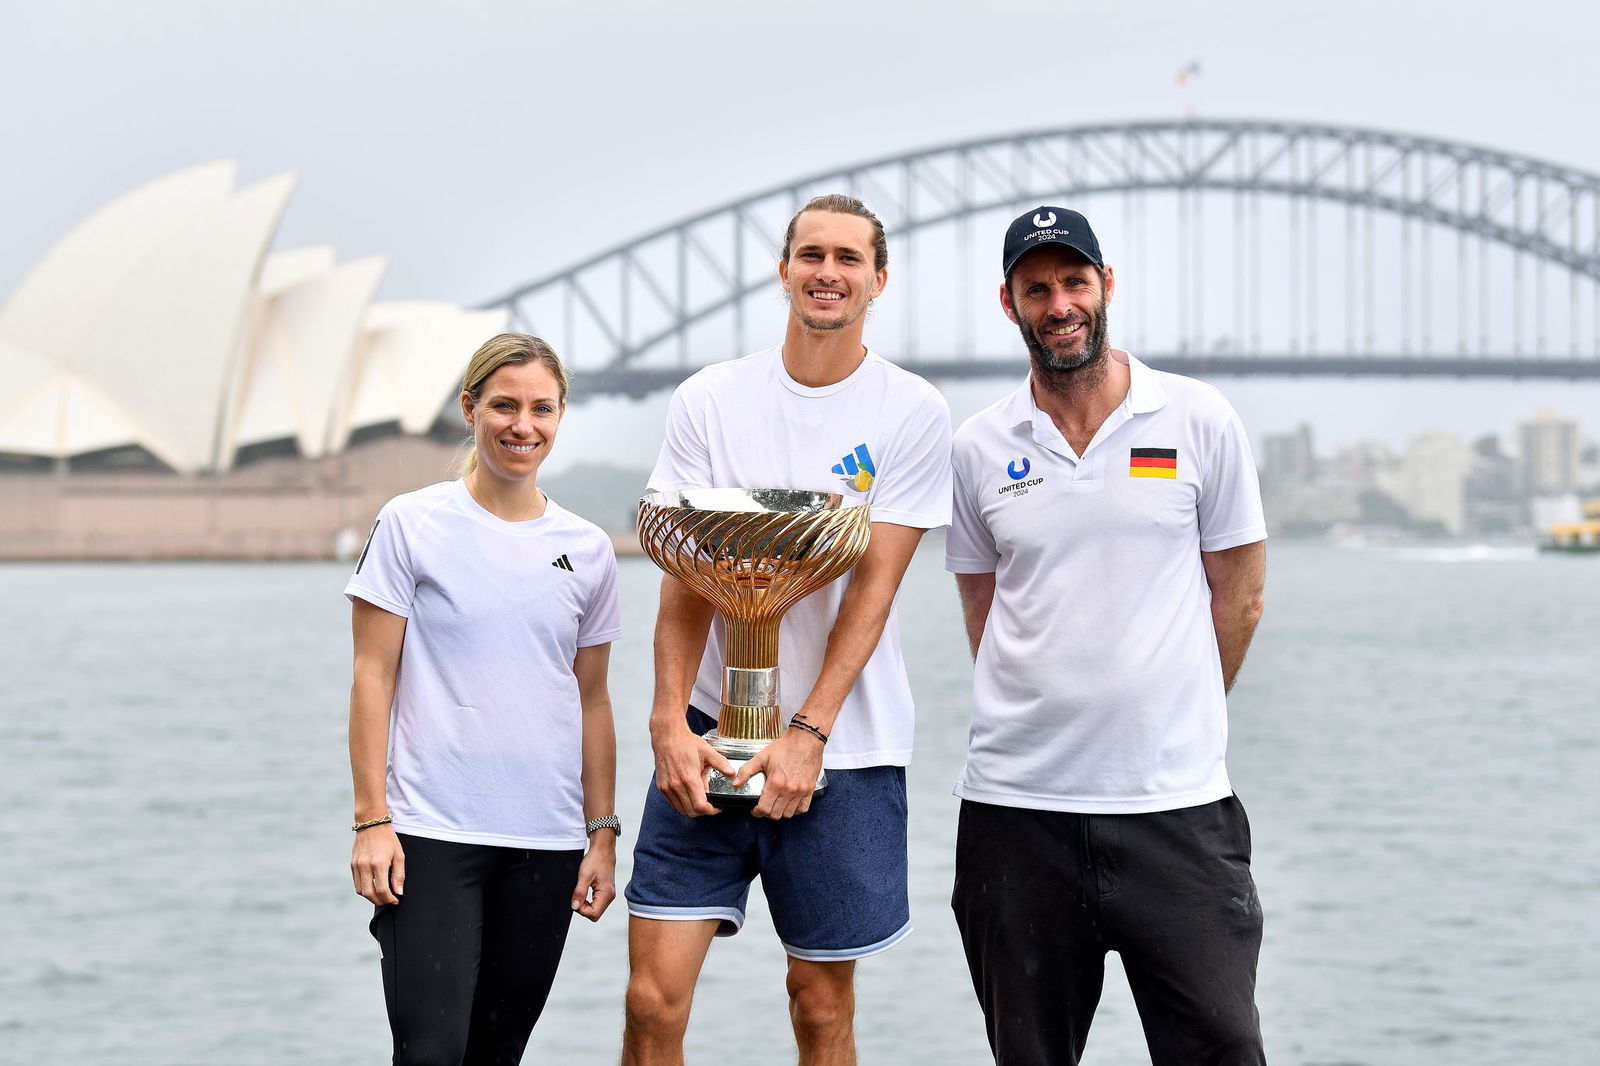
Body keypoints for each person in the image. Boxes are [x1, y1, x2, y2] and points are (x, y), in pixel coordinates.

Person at [620, 194, 953, 1066]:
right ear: (784, 270)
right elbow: (686, 578)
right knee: (652, 1002)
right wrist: (665, 726)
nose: (828, 272)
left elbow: (871, 592)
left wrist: (807, 733)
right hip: (706, 736)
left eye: (849, 258)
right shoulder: (710, 399)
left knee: (819, 1006)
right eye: (812, 254)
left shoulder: (911, 411)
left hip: (843, 748)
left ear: (879, 280)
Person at [945, 207, 1270, 1066]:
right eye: (1037, 288)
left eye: (1074, 282)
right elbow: (985, 610)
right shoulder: (979, 446)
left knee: (1225, 1047)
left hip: (1176, 809)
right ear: (1009, 303)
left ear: (1106, 286)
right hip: (1017, 815)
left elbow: (1238, 599)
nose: (1059, 304)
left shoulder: (1198, 419)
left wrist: (1168, 702)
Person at [345, 332, 623, 1065]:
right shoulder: (412, 523)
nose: (521, 425)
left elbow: (592, 699)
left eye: (541, 408)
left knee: (497, 1053)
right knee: (431, 1052)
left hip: (546, 839)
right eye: (503, 405)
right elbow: (372, 675)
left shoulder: (588, 549)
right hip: (431, 833)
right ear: (470, 409)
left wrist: (601, 834)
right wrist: (372, 819)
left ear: (561, 416)